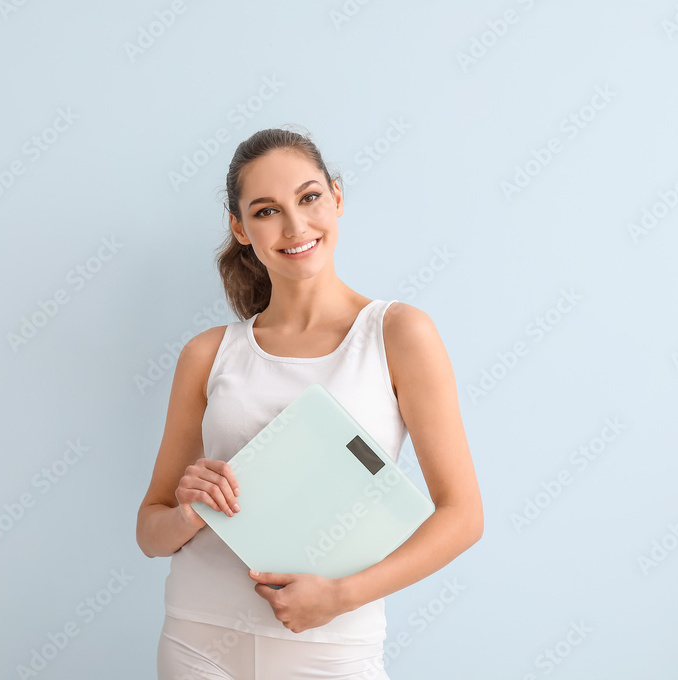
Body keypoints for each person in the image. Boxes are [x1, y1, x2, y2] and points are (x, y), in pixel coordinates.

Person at [136, 126, 483, 680]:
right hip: (198, 641)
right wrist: (186, 512)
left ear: (337, 197)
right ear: (240, 228)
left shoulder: (398, 334)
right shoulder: (208, 354)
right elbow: (149, 532)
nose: (295, 226)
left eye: (309, 197)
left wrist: (341, 596)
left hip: (331, 648)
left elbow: (463, 516)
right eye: (267, 210)